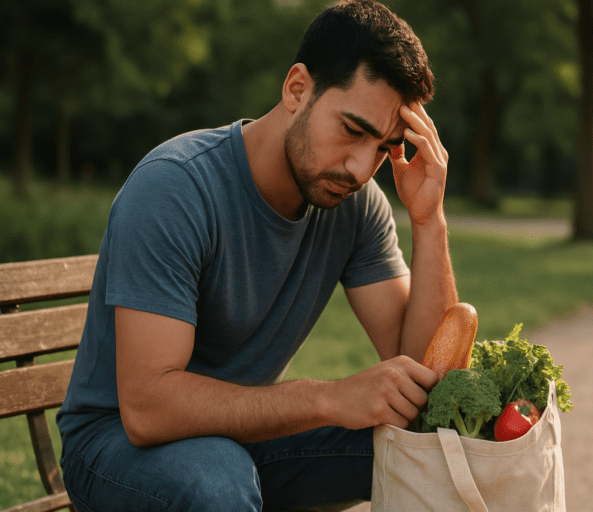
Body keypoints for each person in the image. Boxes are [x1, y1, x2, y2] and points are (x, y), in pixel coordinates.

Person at [56, 1, 457, 510]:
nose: (360, 169)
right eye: (353, 130)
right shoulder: (176, 188)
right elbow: (147, 409)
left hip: (239, 439)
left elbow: (425, 378)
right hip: (115, 448)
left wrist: (429, 221)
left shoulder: (354, 206)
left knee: (433, 446)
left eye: (384, 147)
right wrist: (328, 398)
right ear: (297, 89)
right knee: (216, 480)